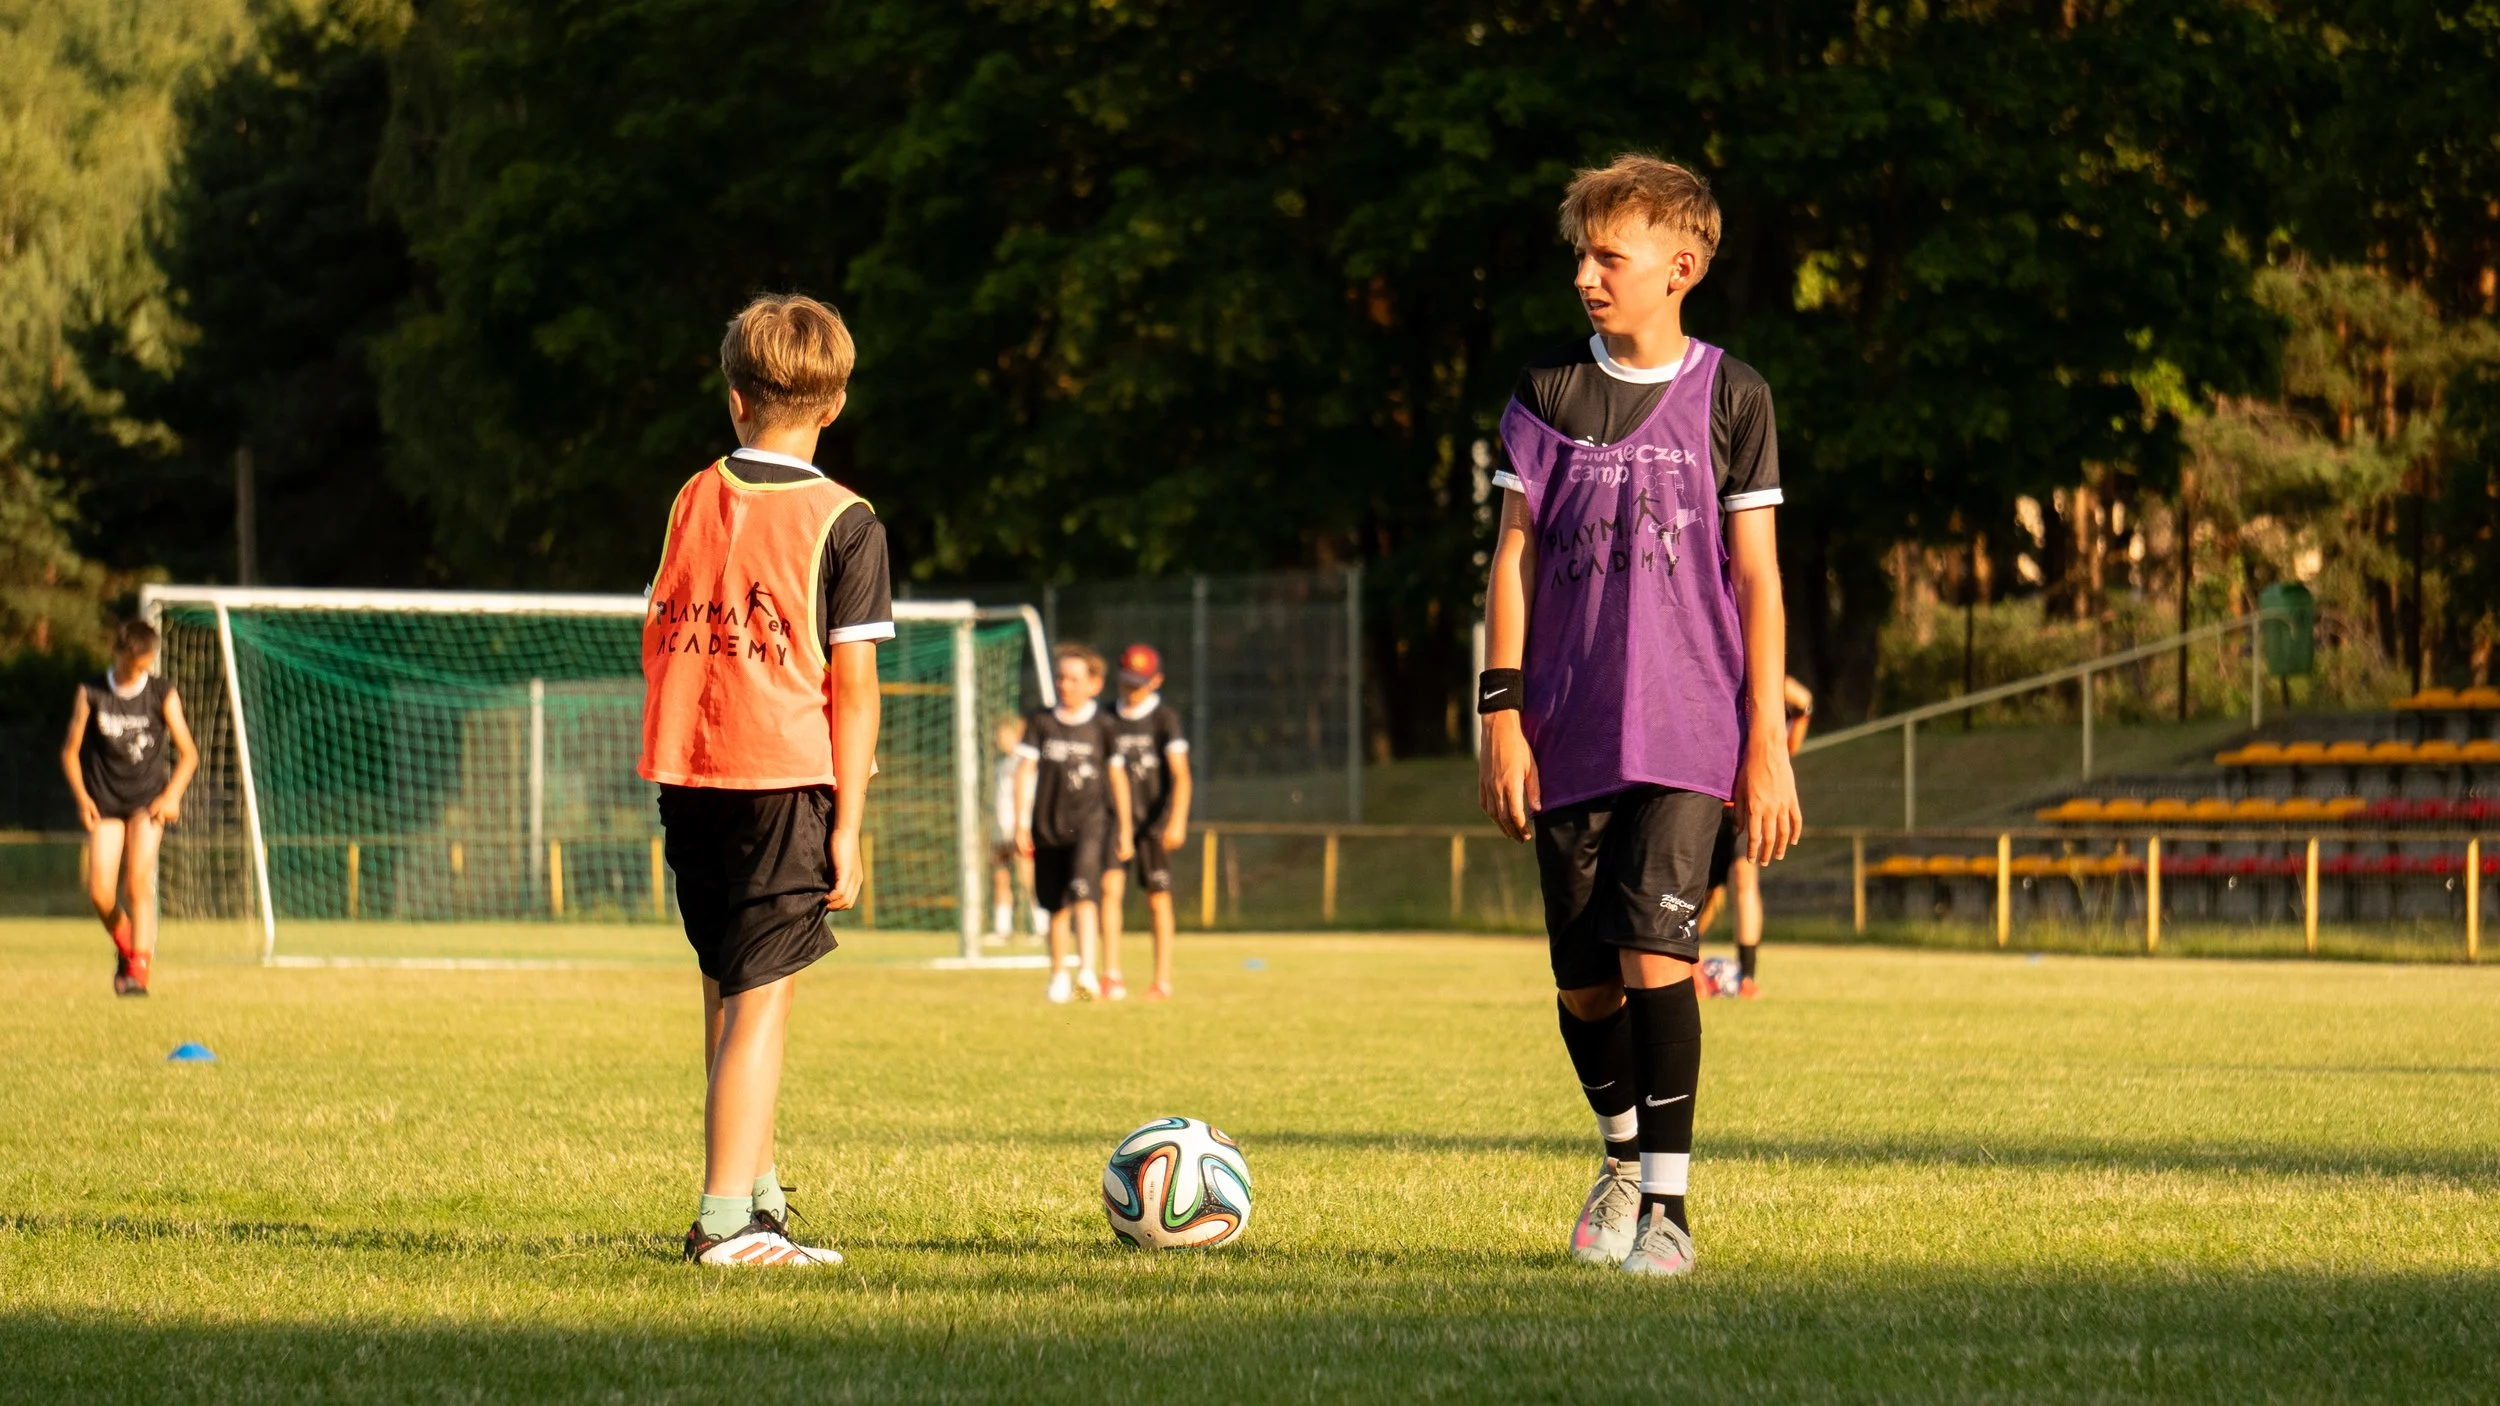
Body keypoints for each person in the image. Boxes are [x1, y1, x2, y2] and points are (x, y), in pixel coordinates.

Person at [1477, 155, 1803, 1279]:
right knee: (1583, 977)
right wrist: (1499, 712)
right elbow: (1512, 557)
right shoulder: (1545, 392)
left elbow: (1756, 577)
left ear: (1682, 265)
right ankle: (1621, 1154)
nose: (1585, 275)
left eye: (1606, 255)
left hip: (1691, 724)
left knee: (1657, 950)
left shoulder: (1735, 395)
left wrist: (1764, 739)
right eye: (1581, 253)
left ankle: (1666, 1209)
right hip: (1566, 726)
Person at [639, 293, 890, 1267]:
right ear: (833, 407)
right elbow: (855, 687)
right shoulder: (845, 519)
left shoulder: (692, 494)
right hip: (782, 776)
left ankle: (757, 1189)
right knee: (762, 997)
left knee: (727, 982)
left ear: (735, 397)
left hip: (689, 769)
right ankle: (724, 1224)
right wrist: (849, 820)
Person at [60, 619, 199, 996]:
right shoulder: (91, 691)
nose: (134, 671)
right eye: (128, 662)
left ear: (150, 658)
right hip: (105, 801)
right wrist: (83, 798)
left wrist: (171, 796)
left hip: (146, 802)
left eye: (142, 664)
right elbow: (71, 753)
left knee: (137, 883)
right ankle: (128, 947)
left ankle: (139, 971)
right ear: (116, 650)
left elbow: (189, 754)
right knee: (100, 894)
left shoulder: (161, 692)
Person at [1016, 642, 1132, 1003]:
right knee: (1056, 905)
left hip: (1091, 825)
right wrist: (1020, 824)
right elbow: (1025, 771)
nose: (1065, 684)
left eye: (1073, 678)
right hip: (1048, 826)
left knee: (1084, 894)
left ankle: (1086, 972)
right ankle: (1058, 975)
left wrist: (1125, 827)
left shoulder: (1104, 725)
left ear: (1094, 684)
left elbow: (1117, 779)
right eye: (1060, 677)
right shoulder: (1041, 722)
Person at [1696, 674, 1814, 998]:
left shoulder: (1762, 678)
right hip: (1703, 795)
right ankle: (1685, 964)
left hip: (1744, 800)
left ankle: (1747, 975)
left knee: (1744, 879)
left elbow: (1790, 739)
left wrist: (1800, 704)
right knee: (1703, 891)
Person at [1101, 643, 1192, 1002]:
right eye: (1126, 682)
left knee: (1158, 900)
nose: (1132, 690)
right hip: (1113, 819)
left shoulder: (1164, 718)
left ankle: (1162, 981)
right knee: (1110, 891)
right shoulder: (1107, 716)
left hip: (1154, 823)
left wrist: (1177, 821)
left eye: (1139, 683)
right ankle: (1111, 975)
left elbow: (1181, 775)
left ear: (1156, 681)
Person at [989, 715, 1046, 944]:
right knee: (1000, 877)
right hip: (1000, 828)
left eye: (1003, 734)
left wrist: (1022, 825)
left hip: (1021, 828)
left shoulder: (1025, 763)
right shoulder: (1001, 765)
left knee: (1028, 879)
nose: (999, 739)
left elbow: (1029, 795)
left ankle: (1041, 928)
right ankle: (1002, 929)